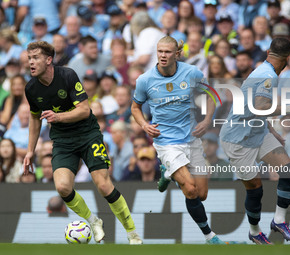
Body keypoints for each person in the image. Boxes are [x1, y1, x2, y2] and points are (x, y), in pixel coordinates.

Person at [23, 41, 142, 244]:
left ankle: (132, 233)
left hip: (88, 134)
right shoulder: (31, 88)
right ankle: (93, 221)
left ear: (48, 59)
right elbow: (35, 118)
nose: (31, 62)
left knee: (104, 185)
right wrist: (29, 150)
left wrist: (58, 117)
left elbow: (84, 110)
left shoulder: (67, 75)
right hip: (62, 140)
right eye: (29, 58)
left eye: (35, 58)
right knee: (62, 187)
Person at [131, 36, 225, 244]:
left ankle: (168, 175)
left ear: (177, 54)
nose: (163, 56)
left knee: (201, 194)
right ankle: (210, 236)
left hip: (191, 140)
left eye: (167, 52)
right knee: (190, 189)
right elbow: (135, 107)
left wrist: (208, 119)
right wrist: (144, 125)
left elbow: (212, 96)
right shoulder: (145, 80)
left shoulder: (192, 73)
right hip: (166, 143)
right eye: (160, 52)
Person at [219, 38, 290, 244]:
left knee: (288, 170)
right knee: (255, 188)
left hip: (257, 132)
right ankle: (255, 232)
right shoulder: (268, 76)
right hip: (237, 140)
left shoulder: (262, 71)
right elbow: (260, 106)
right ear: (287, 59)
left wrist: (272, 131)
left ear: (268, 52)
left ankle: (279, 221)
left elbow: (252, 107)